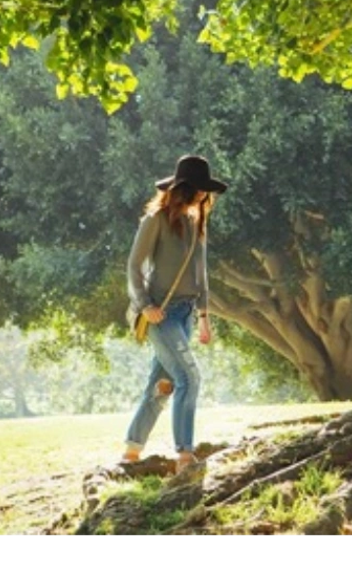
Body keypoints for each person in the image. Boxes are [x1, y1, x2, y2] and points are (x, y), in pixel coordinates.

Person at [123, 154, 227, 471]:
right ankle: (185, 454)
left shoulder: (196, 225)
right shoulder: (155, 220)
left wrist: (205, 317)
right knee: (189, 377)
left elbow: (201, 275)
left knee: (162, 385)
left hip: (185, 314)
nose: (204, 196)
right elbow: (133, 266)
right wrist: (146, 305)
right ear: (187, 188)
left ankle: (131, 449)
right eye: (200, 190)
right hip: (161, 314)